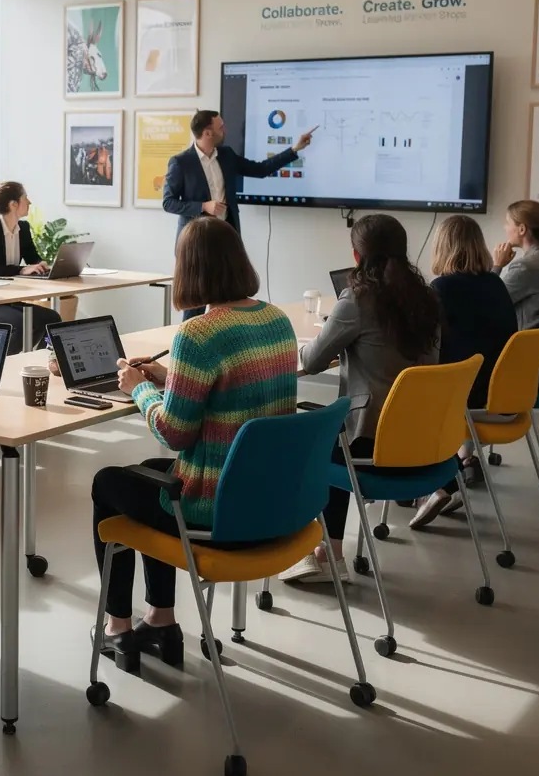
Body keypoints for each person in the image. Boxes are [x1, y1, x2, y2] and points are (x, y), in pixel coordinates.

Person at [91, 217, 297, 668]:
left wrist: (137, 388)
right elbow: (242, 390)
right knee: (149, 473)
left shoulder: (197, 334)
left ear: (191, 268)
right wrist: (171, 378)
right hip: (274, 500)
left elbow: (175, 433)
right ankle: (161, 617)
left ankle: (117, 628)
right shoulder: (276, 319)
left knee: (109, 484)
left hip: (219, 508)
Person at [280, 214, 440, 584]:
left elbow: (313, 361)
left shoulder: (355, 300)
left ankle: (327, 554)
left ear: (356, 256)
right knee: (334, 431)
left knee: (319, 436)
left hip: (373, 443)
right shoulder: (428, 298)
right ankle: (325, 550)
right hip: (423, 440)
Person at [409, 215, 518, 527]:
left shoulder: (442, 287)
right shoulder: (494, 281)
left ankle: (432, 487)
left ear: (442, 247)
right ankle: (443, 479)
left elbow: (423, 345)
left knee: (403, 397)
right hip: (502, 394)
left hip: (470, 396)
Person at [163, 110, 315, 320]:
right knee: (195, 305)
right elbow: (168, 202)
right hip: (196, 243)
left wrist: (295, 149)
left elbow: (261, 169)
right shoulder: (181, 162)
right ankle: (188, 346)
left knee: (230, 299)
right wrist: (203, 206)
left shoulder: (226, 155)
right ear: (208, 133)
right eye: (220, 127)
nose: (224, 130)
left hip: (225, 240)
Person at [0, 180, 62, 353]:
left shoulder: (23, 228)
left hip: (6, 299)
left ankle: (39, 362)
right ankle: (1, 368)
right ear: (13, 204)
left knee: (52, 318)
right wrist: (20, 270)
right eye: (26, 198)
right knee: (22, 323)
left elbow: (33, 259)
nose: (30, 202)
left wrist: (44, 265)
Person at [492, 199, 539, 330]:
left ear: (521, 229)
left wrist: (497, 265)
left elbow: (488, 302)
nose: (505, 227)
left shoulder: (525, 267)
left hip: (525, 346)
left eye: (508, 223)